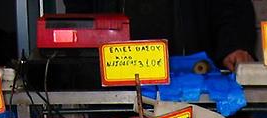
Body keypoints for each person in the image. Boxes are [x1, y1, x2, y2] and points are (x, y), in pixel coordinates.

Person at [62, 0, 256, 71]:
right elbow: (80, 11)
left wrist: (234, 44)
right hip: (115, 77)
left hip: (192, 79)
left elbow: (232, 7)